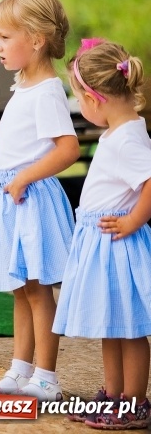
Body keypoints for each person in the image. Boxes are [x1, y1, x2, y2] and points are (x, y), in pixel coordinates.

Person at [0, 0, 80, 403]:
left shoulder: (47, 90)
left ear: (36, 39)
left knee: (37, 289)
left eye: (4, 37)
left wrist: (24, 177)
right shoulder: (24, 85)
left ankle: (46, 377)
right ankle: (20, 369)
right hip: (11, 197)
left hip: (27, 198)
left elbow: (68, 148)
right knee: (20, 287)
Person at [52, 40, 151, 429]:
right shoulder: (119, 132)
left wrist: (133, 221)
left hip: (119, 244)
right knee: (112, 325)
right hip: (102, 243)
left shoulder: (128, 138)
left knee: (130, 330)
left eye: (79, 98)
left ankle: (135, 401)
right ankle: (113, 395)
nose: (80, 107)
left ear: (95, 98)